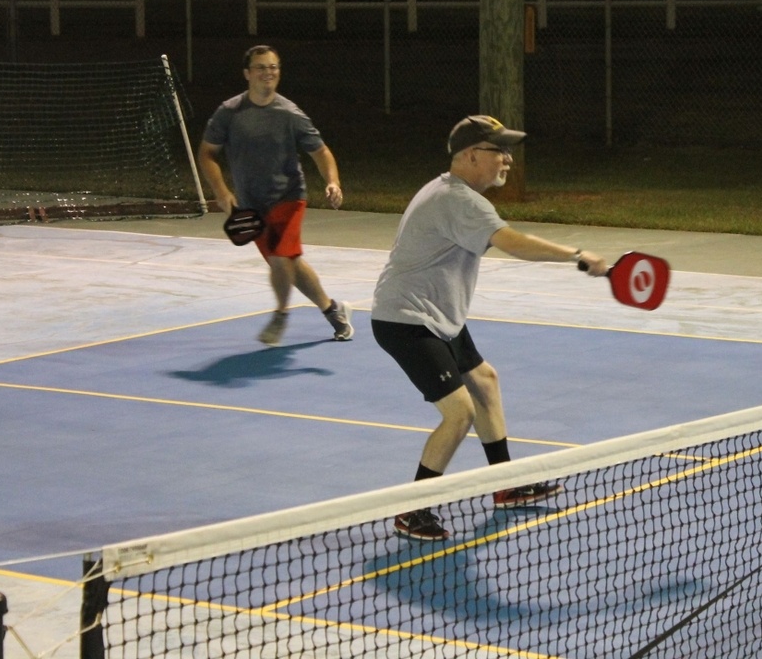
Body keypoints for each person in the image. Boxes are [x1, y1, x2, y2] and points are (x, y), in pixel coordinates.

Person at [371, 115, 610, 540]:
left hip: (437, 316)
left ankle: (505, 484)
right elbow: (511, 242)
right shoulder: (459, 200)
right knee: (459, 412)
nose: (507, 160)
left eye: (508, 151)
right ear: (470, 155)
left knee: (485, 380)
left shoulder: (453, 191)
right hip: (406, 319)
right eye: (499, 151)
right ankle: (413, 510)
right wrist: (577, 255)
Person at [198, 45, 353, 346]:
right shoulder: (228, 113)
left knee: (282, 258)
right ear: (247, 73)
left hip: (289, 196)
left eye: (274, 67)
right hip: (251, 205)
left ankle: (281, 314)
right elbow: (207, 154)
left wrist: (333, 182)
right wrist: (221, 191)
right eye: (261, 67)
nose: (268, 72)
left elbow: (320, 151)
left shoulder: (290, 114)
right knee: (287, 264)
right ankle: (333, 310)